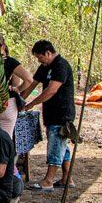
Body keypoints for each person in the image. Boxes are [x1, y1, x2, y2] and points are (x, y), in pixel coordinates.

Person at [21, 39, 76, 190]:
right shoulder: (45, 67)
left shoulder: (60, 66)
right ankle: (66, 178)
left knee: (55, 146)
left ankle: (48, 180)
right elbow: (32, 84)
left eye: (40, 57)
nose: (39, 61)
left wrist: (32, 104)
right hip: (51, 113)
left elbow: (51, 90)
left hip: (61, 113)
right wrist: (20, 100)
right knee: (62, 147)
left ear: (48, 53)